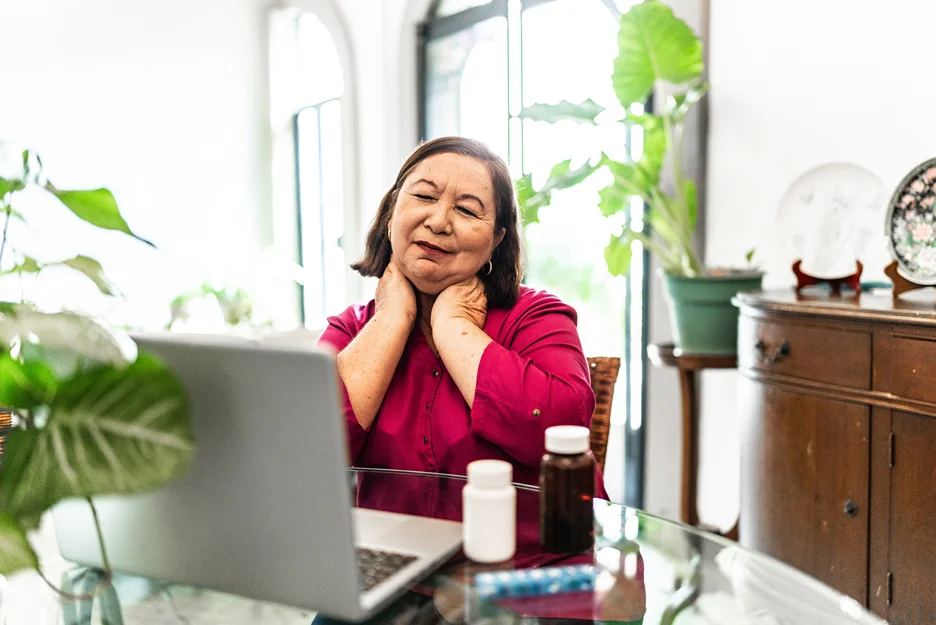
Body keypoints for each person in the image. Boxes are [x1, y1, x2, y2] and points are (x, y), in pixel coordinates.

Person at [317, 136, 605, 495]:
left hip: (536, 552)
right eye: (424, 197)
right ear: (392, 211)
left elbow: (562, 434)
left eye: (467, 211)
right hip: (396, 549)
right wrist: (392, 317)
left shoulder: (538, 318)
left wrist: (453, 327)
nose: (438, 222)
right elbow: (306, 456)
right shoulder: (350, 329)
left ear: (497, 239)